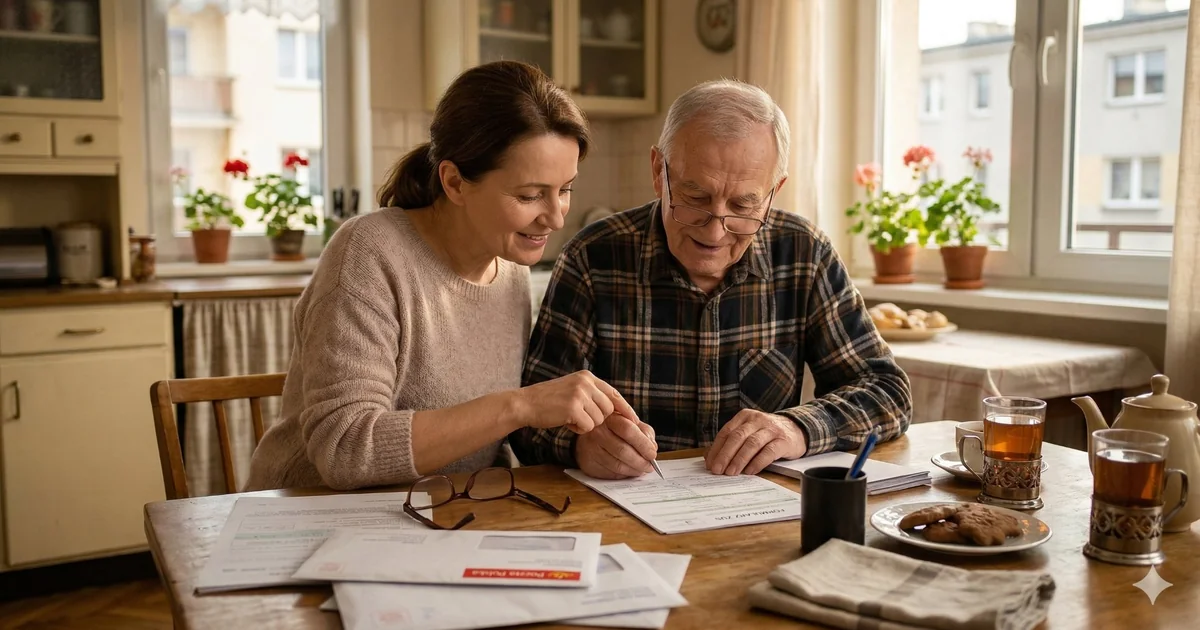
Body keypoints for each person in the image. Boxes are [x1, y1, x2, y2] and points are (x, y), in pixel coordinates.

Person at [245, 61, 636, 492]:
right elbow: (345, 451)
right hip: (314, 519)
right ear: (454, 182)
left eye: (565, 189)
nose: (556, 218)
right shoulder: (369, 254)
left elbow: (481, 446)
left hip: (436, 516)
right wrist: (521, 406)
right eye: (529, 195)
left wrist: (587, 443)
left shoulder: (509, 271)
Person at [513, 79, 912, 480]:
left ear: (774, 192)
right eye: (696, 198)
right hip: (623, 513)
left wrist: (797, 428)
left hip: (758, 513)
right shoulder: (592, 258)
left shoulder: (804, 254)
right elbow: (528, 421)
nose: (715, 232)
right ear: (658, 171)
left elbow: (887, 392)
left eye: (743, 205)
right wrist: (580, 445)